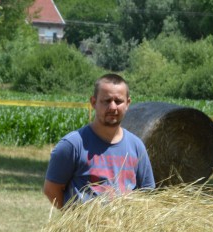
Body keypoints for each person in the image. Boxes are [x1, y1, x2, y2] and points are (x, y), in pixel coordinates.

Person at [43, 73, 155, 209]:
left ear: (128, 103)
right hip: (86, 223)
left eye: (118, 101)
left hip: (125, 223)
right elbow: (51, 189)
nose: (113, 107)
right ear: (93, 102)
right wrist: (74, 216)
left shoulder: (136, 146)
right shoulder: (72, 145)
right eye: (106, 101)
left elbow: (147, 193)